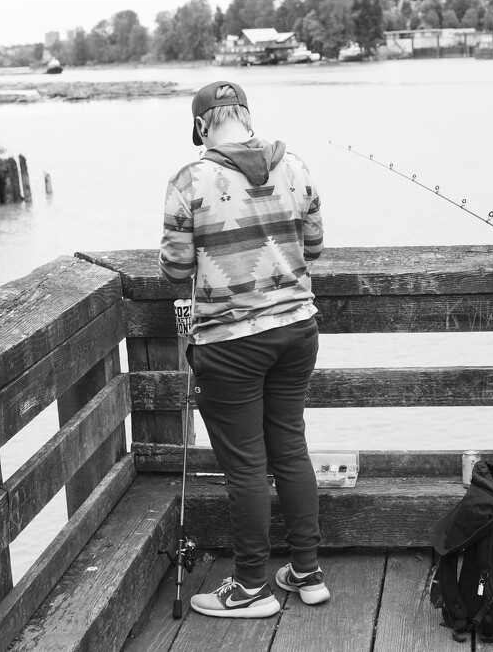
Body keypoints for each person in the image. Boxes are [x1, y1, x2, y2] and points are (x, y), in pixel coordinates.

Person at [159, 80, 328, 618]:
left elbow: (175, 269)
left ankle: (252, 585)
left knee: (246, 467)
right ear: (246, 117)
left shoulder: (189, 179)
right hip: (298, 330)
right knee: (290, 449)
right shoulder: (296, 166)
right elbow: (316, 246)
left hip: (231, 343)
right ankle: (307, 572)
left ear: (202, 126)